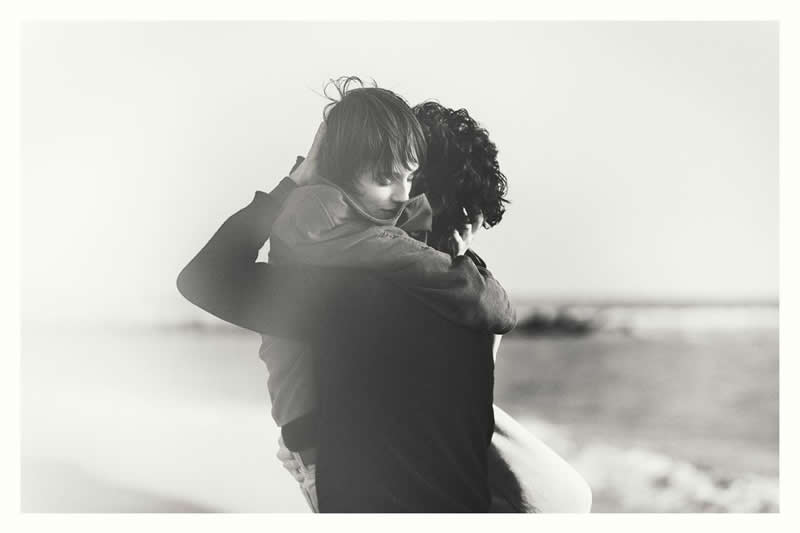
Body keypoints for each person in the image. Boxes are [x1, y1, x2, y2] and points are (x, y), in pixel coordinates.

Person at [177, 94, 515, 512]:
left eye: (409, 178)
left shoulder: (362, 282)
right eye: (385, 178)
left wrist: (290, 184)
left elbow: (204, 277)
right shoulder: (451, 304)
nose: (402, 198)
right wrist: (467, 265)